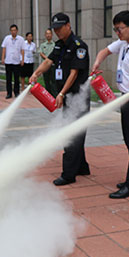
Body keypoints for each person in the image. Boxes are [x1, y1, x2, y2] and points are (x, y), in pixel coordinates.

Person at [92, 10, 129, 199]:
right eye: (115, 30)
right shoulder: (125, 42)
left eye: (120, 29)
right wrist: (97, 63)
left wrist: (122, 100)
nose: (117, 33)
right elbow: (105, 51)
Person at [29, 13, 90, 186]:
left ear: (68, 26)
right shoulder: (59, 45)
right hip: (68, 96)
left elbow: (74, 73)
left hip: (77, 97)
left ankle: (68, 174)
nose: (57, 31)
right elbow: (49, 61)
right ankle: (82, 167)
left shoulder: (79, 46)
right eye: (54, 29)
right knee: (76, 130)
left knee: (71, 133)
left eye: (60, 28)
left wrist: (61, 93)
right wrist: (36, 73)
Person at [1, 24, 24, 98]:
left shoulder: (21, 39)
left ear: (17, 31)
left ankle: (16, 92)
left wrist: (22, 59)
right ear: (10, 31)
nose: (13, 32)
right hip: (8, 61)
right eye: (12, 30)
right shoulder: (7, 38)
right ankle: (9, 93)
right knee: (8, 78)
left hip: (16, 61)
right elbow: (4, 48)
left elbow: (22, 50)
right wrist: (3, 58)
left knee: (16, 78)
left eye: (14, 30)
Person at [39, 28, 58, 96]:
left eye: (49, 33)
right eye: (47, 34)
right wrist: (48, 59)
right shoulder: (43, 45)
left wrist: (50, 60)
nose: (48, 35)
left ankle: (54, 96)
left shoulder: (55, 44)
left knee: (53, 81)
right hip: (45, 66)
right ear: (45, 35)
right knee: (46, 81)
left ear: (52, 35)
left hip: (53, 65)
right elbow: (41, 53)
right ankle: (48, 96)